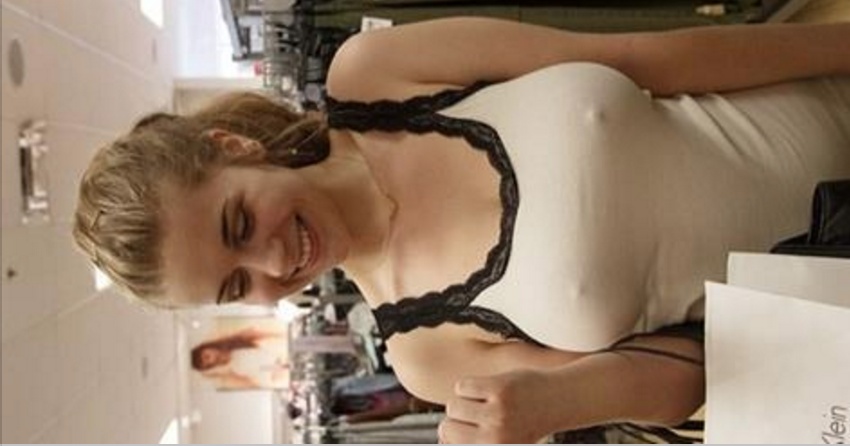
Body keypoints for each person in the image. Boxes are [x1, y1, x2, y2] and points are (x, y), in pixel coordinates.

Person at [73, 17, 850, 443]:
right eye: (237, 282)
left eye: (238, 222)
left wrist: (842, 43)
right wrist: (567, 399)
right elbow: (699, 372)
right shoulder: (425, 354)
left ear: (233, 147)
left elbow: (647, 58)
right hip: (839, 280)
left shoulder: (377, 75)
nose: (273, 261)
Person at [190, 327, 289, 389]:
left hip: (280, 356)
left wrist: (283, 336)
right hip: (276, 376)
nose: (211, 358)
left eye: (206, 355)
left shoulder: (234, 340)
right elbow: (252, 384)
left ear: (206, 347)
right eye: (208, 363)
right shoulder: (231, 371)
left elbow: (262, 334)